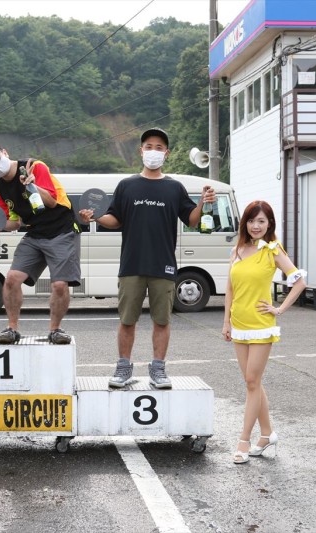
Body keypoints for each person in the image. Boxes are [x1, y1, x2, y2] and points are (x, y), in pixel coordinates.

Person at [79, 127, 216, 389]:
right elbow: (115, 219)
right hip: (131, 264)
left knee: (161, 321)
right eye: (149, 147)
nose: (154, 151)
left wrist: (202, 202)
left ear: (167, 153)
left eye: (159, 147)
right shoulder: (127, 186)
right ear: (141, 151)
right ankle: (123, 368)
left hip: (164, 266)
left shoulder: (174, 188)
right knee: (127, 320)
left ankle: (158, 369)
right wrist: (95, 217)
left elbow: (192, 220)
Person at [222, 200, 306, 464]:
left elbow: (300, 282)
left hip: (261, 324)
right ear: (245, 223)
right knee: (253, 383)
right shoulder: (237, 250)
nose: (255, 226)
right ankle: (267, 434)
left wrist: (279, 309)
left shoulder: (272, 250)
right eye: (251, 220)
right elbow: (230, 289)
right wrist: (226, 322)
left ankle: (244, 441)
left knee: (251, 381)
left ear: (269, 223)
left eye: (261, 221)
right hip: (239, 324)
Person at [0, 142, 81, 345]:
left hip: (61, 229)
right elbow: (14, 223)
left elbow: (51, 201)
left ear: (5, 152)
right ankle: (12, 329)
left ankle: (55, 330)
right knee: (11, 279)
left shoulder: (34, 166)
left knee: (59, 284)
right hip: (34, 232)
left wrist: (33, 186)